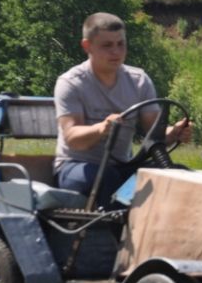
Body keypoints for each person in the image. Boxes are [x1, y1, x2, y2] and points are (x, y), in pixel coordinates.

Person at [54, 12, 191, 206]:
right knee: (110, 180)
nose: (116, 52)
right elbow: (72, 138)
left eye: (121, 44)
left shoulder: (139, 81)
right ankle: (118, 230)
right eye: (107, 45)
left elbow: (154, 135)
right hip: (74, 168)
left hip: (121, 168)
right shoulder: (71, 83)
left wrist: (175, 132)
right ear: (87, 46)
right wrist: (102, 128)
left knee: (176, 175)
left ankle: (159, 231)